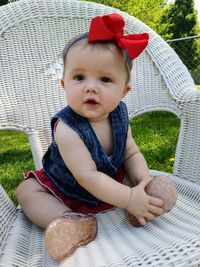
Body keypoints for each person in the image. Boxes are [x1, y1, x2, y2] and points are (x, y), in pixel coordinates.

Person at [16, 13, 164, 260]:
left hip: (111, 184)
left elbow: (131, 152)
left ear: (123, 91)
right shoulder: (67, 128)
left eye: (105, 79)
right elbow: (87, 176)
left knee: (133, 173)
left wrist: (141, 181)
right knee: (27, 191)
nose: (90, 87)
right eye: (79, 77)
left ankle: (144, 199)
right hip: (66, 188)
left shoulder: (119, 115)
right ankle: (70, 222)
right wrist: (127, 197)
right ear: (64, 84)